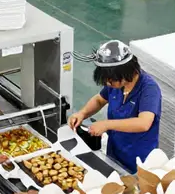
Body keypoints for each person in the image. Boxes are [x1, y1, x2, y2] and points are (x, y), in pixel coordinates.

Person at [68, 40, 162, 173]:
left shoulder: (149, 89)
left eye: (110, 79)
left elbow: (144, 123)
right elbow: (100, 100)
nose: (107, 83)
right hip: (115, 153)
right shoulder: (116, 85)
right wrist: (82, 114)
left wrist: (106, 125)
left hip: (139, 160)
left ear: (125, 72)